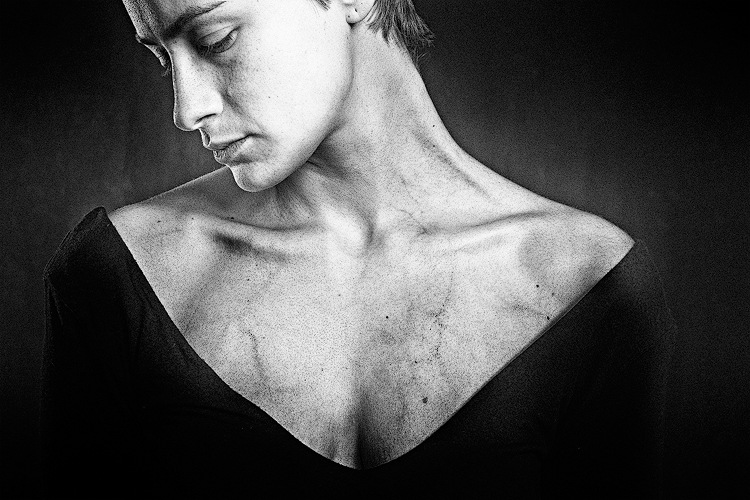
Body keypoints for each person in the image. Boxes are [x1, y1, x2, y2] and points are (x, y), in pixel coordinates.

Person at [41, 0, 676, 497]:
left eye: (216, 39)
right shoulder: (121, 272)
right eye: (162, 58)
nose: (186, 108)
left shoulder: (588, 288)